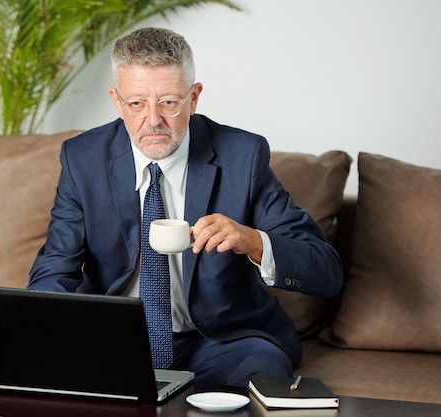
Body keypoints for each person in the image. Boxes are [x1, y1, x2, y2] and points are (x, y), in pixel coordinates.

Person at [28, 27, 343, 387]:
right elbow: (55, 268)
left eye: (168, 102)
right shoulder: (83, 158)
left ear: (193, 99)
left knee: (264, 364)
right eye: (136, 104)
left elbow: (326, 271)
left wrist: (253, 241)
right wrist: (42, 329)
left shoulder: (243, 156)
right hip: (114, 339)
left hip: (215, 341)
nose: (153, 121)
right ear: (117, 102)